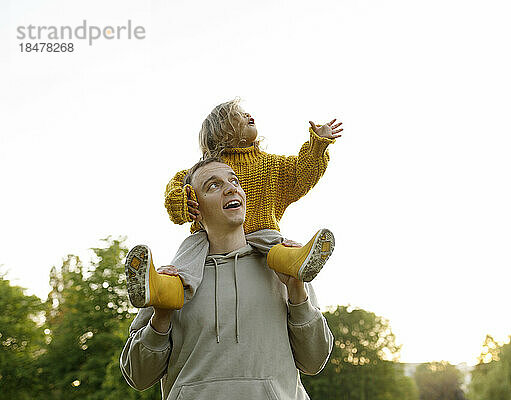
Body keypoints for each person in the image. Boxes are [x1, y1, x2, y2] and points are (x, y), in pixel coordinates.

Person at [120, 158, 334, 399]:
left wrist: (296, 290)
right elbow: (138, 376)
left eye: (234, 181)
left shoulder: (286, 268)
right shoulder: (174, 280)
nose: (231, 188)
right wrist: (161, 316)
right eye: (213, 185)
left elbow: (314, 361)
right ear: (195, 208)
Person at [125, 99, 343, 311]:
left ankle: (297, 261)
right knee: (187, 256)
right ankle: (161, 287)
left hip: (262, 231)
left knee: (278, 245)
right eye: (238, 114)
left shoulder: (271, 165)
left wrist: (318, 145)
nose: (248, 115)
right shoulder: (206, 170)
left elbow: (300, 175)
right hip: (210, 238)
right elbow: (176, 186)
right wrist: (181, 201)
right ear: (221, 130)